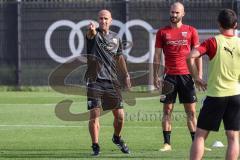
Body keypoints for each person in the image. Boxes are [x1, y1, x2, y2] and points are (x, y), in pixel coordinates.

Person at [188, 9, 240, 160]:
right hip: (236, 95)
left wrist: (196, 77)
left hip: (216, 95)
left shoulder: (212, 42)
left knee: (200, 136)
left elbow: (190, 56)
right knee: (233, 137)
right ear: (235, 25)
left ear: (219, 24)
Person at [153, 2, 203, 151]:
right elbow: (157, 56)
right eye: (172, 12)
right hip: (169, 77)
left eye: (177, 12)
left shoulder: (191, 31)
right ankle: (167, 143)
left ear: (183, 14)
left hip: (187, 76)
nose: (174, 15)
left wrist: (198, 75)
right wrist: (156, 75)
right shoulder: (162, 32)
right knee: (167, 110)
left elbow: (198, 55)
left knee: (191, 112)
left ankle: (196, 143)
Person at [85, 9, 131, 156]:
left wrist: (126, 75)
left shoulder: (116, 38)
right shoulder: (94, 35)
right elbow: (90, 35)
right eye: (100, 18)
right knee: (94, 115)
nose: (103, 21)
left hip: (112, 82)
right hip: (95, 81)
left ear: (111, 21)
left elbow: (120, 58)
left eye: (106, 19)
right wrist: (91, 30)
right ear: (97, 20)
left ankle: (116, 138)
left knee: (120, 116)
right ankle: (95, 145)